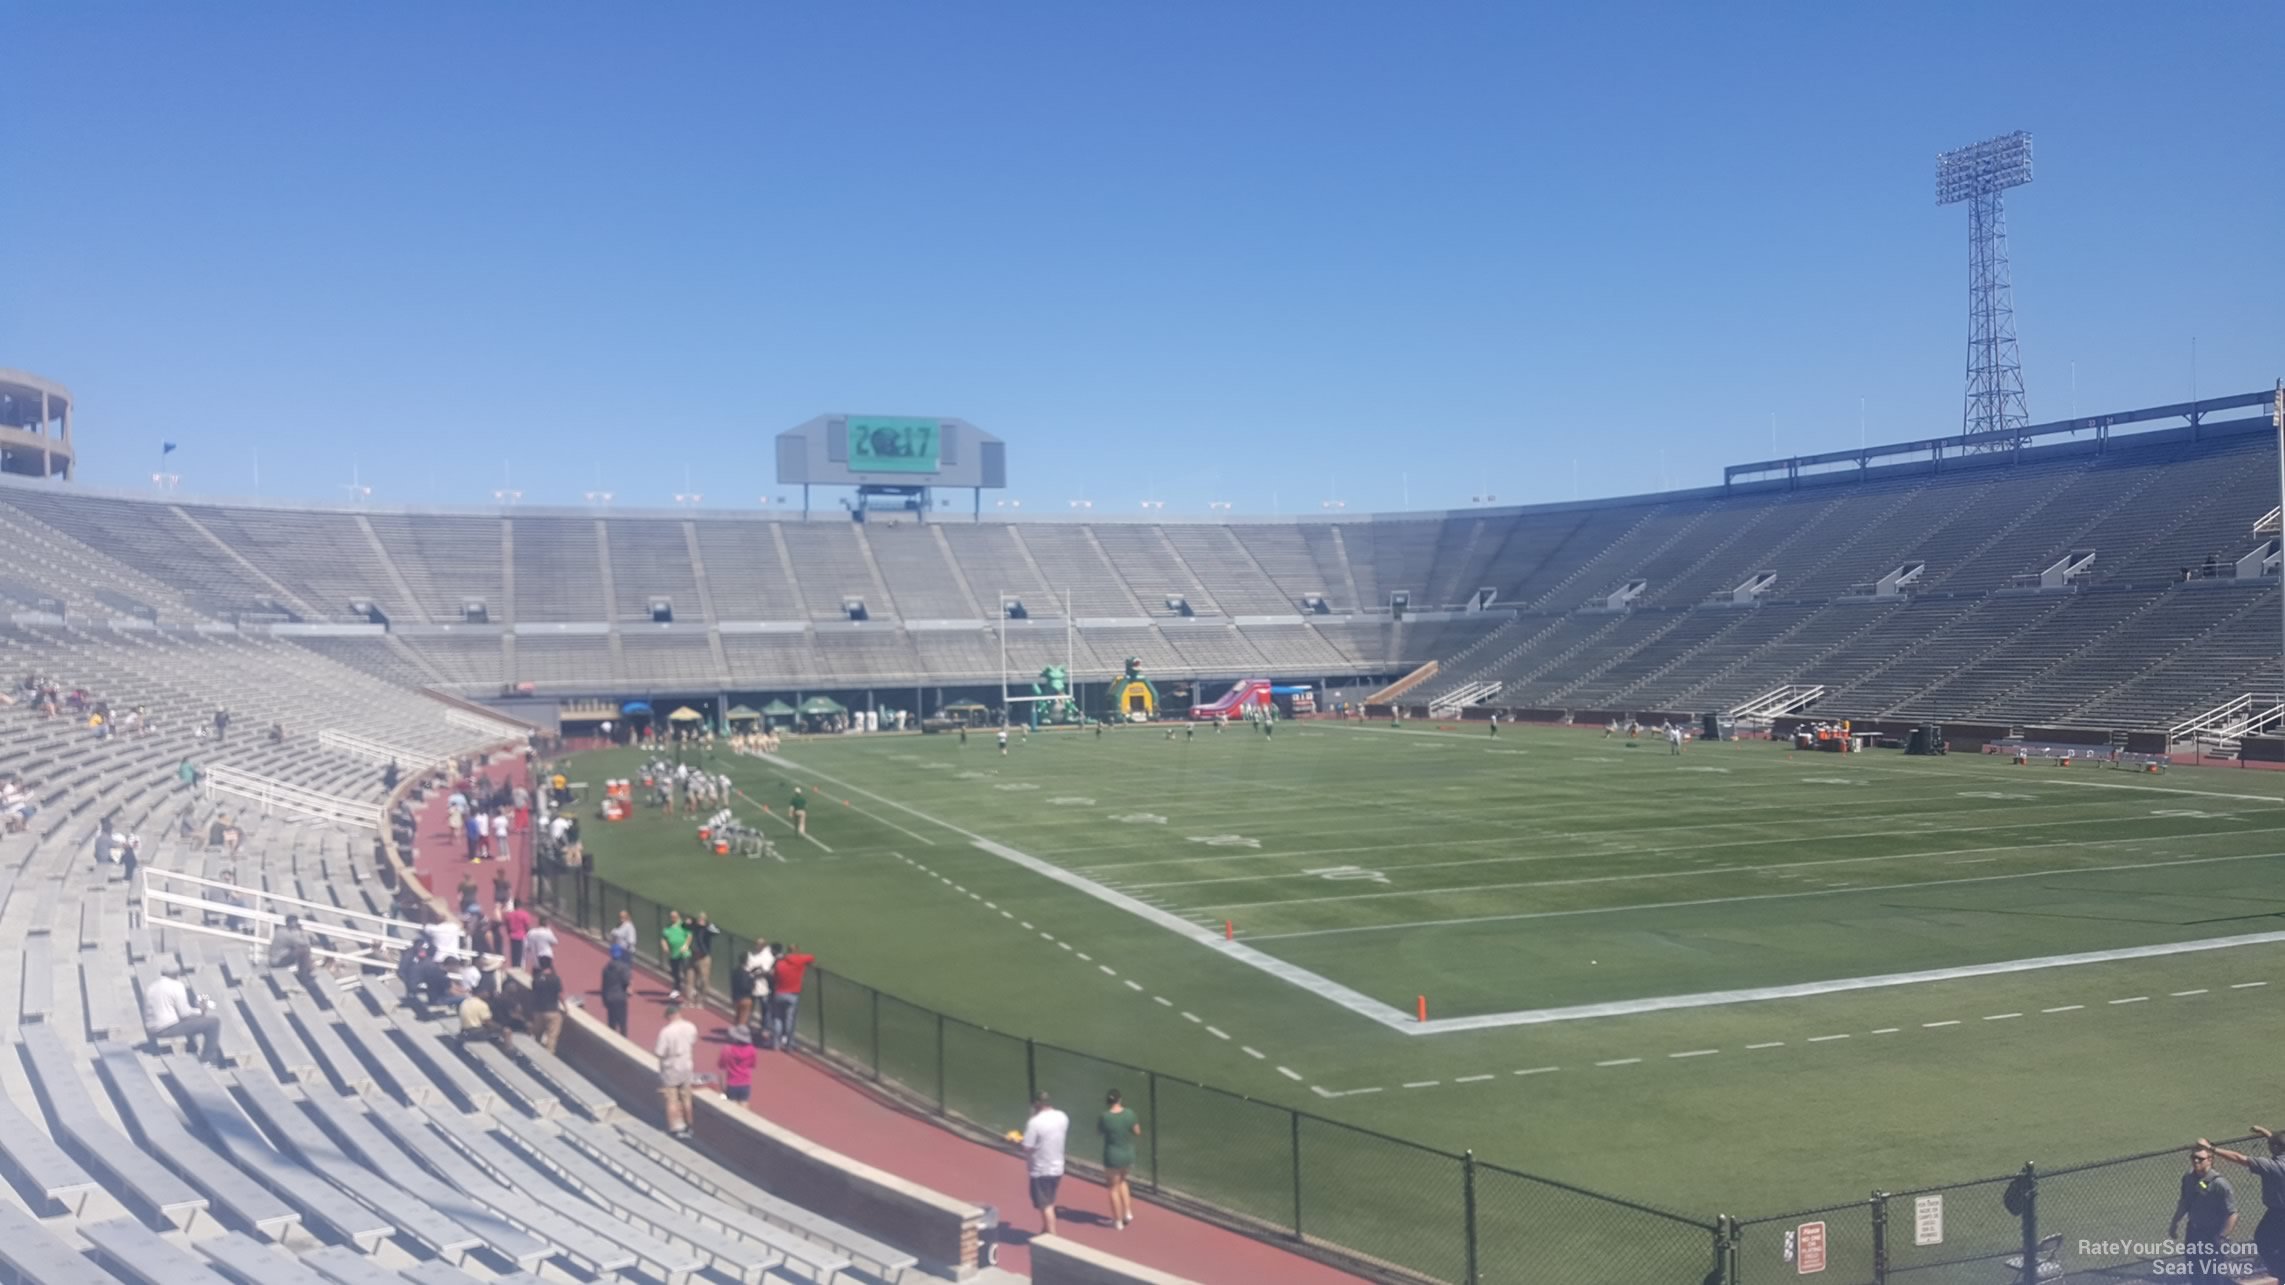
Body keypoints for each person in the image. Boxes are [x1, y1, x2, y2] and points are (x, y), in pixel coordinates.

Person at [2206, 1130, 2285, 1278]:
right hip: (2278, 1213)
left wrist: (2211, 1148)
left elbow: (2239, 1158)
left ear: (2274, 1147)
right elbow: (2279, 1144)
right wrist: (2266, 1133)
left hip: (2279, 1214)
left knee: (2263, 1237)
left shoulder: (2272, 1166)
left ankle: (2279, 1270)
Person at [2172, 1143, 2238, 1285]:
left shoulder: (2220, 1184)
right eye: (2193, 1157)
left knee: (2213, 1273)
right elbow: (2184, 1203)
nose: (2195, 1161)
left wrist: (2221, 1236)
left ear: (2210, 1160)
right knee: (2194, 1269)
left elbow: (2232, 1213)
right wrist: (2174, 1223)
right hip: (2194, 1231)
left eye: (2200, 1159)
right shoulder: (2188, 1179)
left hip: (2212, 1234)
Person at [145, 963, 225, 1066]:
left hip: (152, 1028)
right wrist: (201, 1011)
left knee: (191, 1021)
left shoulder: (151, 987)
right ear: (177, 974)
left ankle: (191, 1047)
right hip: (166, 1028)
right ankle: (207, 1059)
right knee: (213, 1023)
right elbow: (184, 1013)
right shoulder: (177, 986)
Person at [1020, 1092, 1070, 1237]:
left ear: (1036, 1104)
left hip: (1041, 1169)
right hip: (1058, 1167)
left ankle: (1052, 1235)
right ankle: (1045, 1229)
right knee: (1050, 1200)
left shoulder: (1034, 1123)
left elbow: (1027, 1146)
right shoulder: (1062, 1116)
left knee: (1045, 1204)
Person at [1100, 1089, 1143, 1229]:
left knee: (1113, 1188)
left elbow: (1099, 1131)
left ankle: (1117, 1221)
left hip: (1112, 1156)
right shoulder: (1129, 1113)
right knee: (1123, 1181)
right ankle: (1127, 1213)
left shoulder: (1105, 1117)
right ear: (1120, 1100)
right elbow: (1137, 1132)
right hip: (1128, 1154)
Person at [655, 1002, 697, 1139]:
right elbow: (693, 1041)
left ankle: (675, 1128)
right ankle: (689, 1125)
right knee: (686, 1098)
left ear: (670, 1015)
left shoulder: (666, 1032)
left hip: (671, 1068)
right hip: (686, 1065)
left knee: (671, 1099)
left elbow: (659, 1052)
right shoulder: (691, 1027)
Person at [767, 946, 814, 1051]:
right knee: (790, 1021)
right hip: (793, 995)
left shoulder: (780, 964)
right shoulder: (799, 960)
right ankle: (789, 1045)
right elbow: (811, 957)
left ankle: (776, 1044)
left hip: (779, 993)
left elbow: (774, 977)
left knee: (777, 1019)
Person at [733, 938, 774, 1030]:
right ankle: (746, 1028)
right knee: (749, 1009)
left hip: (763, 987)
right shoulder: (752, 955)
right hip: (752, 987)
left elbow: (766, 971)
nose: (756, 946)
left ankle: (765, 1029)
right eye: (756, 944)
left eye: (758, 944)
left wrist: (756, 972)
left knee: (765, 1010)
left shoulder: (768, 956)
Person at [526, 956, 565, 1053]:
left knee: (537, 1035)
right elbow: (559, 995)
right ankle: (548, 1057)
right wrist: (565, 1007)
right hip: (552, 1011)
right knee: (551, 1036)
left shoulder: (537, 979)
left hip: (539, 1011)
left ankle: (535, 1053)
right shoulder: (555, 978)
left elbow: (533, 994)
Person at [717, 1024, 757, 1104]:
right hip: (746, 1083)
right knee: (744, 1107)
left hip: (732, 1083)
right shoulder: (752, 1050)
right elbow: (752, 1065)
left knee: (731, 1108)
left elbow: (721, 1067)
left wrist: (722, 1087)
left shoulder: (727, 1049)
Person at [270, 914, 315, 982]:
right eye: (294, 922)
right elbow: (305, 943)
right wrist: (302, 931)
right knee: (303, 951)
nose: (295, 924)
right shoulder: (284, 933)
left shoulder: (283, 930)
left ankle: (305, 973)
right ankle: (304, 975)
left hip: (282, 957)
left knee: (303, 951)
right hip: (277, 961)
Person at [601, 944, 634, 1036]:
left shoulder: (606, 968)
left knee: (611, 1023)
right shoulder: (624, 967)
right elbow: (626, 982)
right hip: (620, 998)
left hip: (609, 998)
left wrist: (604, 999)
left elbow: (603, 985)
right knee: (622, 1024)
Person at [660, 911, 693, 1000]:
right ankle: (677, 988)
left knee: (686, 971)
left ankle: (689, 989)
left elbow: (689, 936)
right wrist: (665, 947)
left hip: (684, 954)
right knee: (675, 972)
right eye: (671, 917)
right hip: (673, 954)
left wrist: (686, 946)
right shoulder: (667, 928)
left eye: (675, 917)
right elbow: (663, 939)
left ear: (678, 917)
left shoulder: (683, 926)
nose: (673, 918)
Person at [689, 912, 718, 998]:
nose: (700, 920)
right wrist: (691, 921)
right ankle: (691, 998)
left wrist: (708, 925)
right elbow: (685, 926)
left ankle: (701, 997)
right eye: (699, 919)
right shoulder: (694, 927)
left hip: (704, 957)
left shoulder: (707, 929)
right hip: (693, 955)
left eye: (702, 919)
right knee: (691, 977)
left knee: (704, 979)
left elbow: (716, 932)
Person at [501, 902, 532, 969]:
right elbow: (527, 926)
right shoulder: (524, 915)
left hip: (512, 936)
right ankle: (520, 969)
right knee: (521, 956)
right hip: (521, 936)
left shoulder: (510, 915)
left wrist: (509, 933)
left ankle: (514, 967)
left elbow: (507, 925)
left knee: (513, 954)